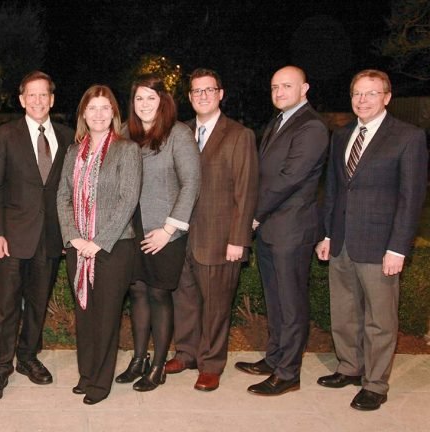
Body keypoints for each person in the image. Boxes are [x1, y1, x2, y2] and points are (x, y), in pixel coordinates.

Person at [315, 70, 428, 411]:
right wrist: (328, 233)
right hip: (342, 241)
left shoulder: (407, 137)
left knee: (380, 319)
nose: (362, 100)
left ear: (387, 97)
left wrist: (398, 248)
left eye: (371, 94)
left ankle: (375, 383)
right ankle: (350, 367)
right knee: (344, 312)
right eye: (357, 94)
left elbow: (411, 197)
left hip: (380, 246)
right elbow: (334, 190)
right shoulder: (342, 135)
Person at [234, 66, 329, 396]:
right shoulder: (279, 122)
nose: (279, 92)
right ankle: (275, 359)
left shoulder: (312, 126)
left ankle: (288, 373)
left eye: (287, 86)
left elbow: (288, 178)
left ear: (305, 88)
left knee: (290, 303)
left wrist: (253, 216)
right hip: (273, 230)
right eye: (274, 86)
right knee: (275, 300)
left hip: (291, 228)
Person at [0, 71, 74, 401]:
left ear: (52, 98)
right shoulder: (4, 135)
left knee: (37, 303)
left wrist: (69, 234)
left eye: (43, 95)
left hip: (50, 238)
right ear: (21, 100)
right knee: (6, 306)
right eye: (30, 95)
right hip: (12, 237)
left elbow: (70, 191)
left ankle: (28, 357)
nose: (37, 100)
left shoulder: (67, 136)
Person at [166, 68, 258, 392]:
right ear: (189, 97)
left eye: (209, 90)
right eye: (196, 91)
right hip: (182, 237)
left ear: (221, 94)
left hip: (220, 239)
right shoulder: (180, 133)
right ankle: (187, 353)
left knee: (217, 305)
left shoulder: (239, 134)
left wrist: (239, 239)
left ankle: (211, 364)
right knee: (185, 300)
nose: (203, 95)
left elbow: (246, 192)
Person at [57, 84, 142, 405]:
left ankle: (100, 382)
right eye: (92, 108)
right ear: (83, 114)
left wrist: (99, 241)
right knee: (85, 315)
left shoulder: (126, 150)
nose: (98, 114)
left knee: (106, 315)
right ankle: (87, 373)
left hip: (113, 248)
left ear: (114, 114)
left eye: (105, 108)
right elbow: (62, 197)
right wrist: (74, 237)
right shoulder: (72, 152)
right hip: (77, 247)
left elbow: (127, 201)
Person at [115, 74, 200, 392]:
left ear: (163, 101)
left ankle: (158, 366)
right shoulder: (125, 133)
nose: (145, 104)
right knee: (136, 292)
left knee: (159, 294)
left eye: (151, 97)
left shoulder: (179, 134)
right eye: (139, 98)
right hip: (130, 229)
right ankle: (138, 359)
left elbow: (191, 183)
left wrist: (168, 229)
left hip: (164, 230)